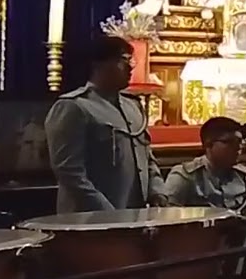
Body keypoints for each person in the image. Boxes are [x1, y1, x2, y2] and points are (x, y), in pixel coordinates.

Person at [45, 35, 165, 212]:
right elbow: (69, 172)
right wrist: (106, 211)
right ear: (98, 64)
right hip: (89, 220)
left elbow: (147, 158)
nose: (130, 67)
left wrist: (157, 192)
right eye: (123, 60)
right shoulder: (74, 106)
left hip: (135, 216)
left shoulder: (133, 106)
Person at [163, 117, 246, 210]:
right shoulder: (185, 176)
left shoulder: (243, 177)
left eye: (240, 142)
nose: (238, 147)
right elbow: (168, 214)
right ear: (208, 145)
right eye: (230, 142)